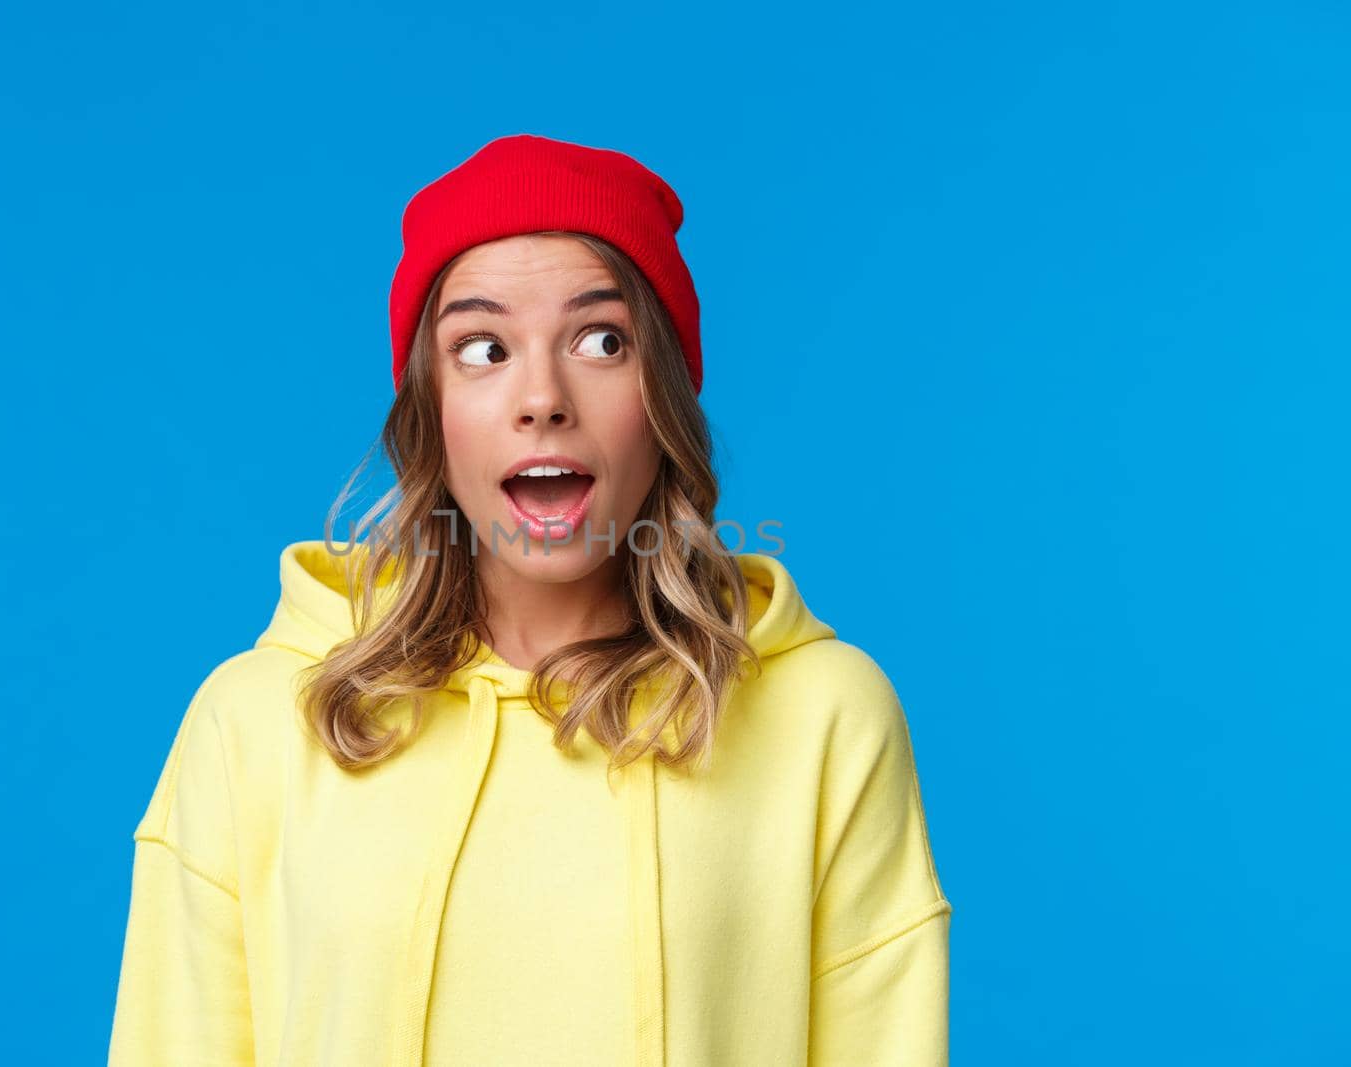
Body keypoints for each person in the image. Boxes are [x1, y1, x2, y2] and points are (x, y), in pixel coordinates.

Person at [106, 133, 952, 1066]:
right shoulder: (255, 721)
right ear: (428, 409)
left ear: (662, 397)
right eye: (482, 347)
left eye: (602, 340)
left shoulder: (824, 716)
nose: (542, 396)